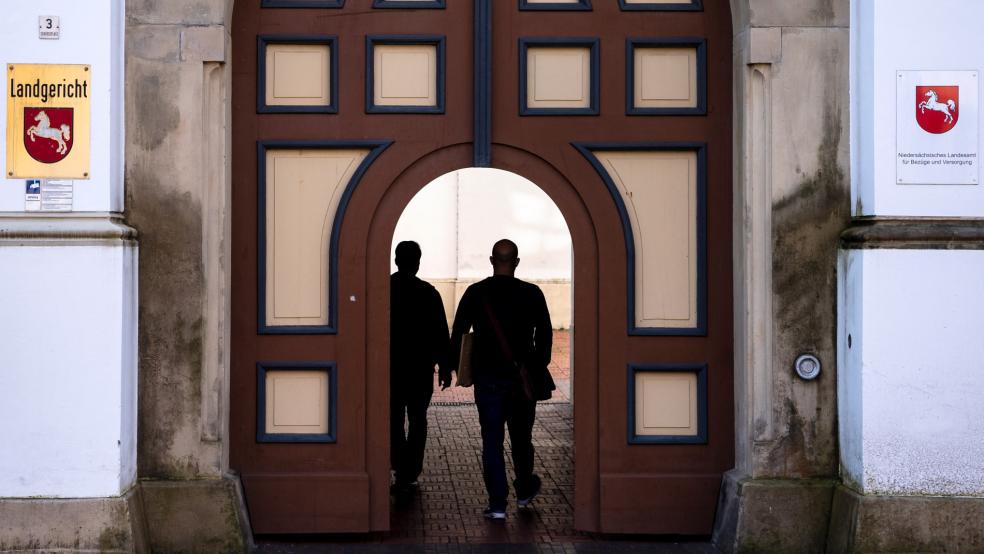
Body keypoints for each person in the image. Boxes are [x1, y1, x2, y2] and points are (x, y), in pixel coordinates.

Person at [444, 239, 552, 519]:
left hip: (488, 377)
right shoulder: (533, 294)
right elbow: (545, 337)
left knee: (491, 439)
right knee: (522, 438)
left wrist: (456, 367)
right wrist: (535, 366)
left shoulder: (476, 293)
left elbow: (458, 334)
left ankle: (497, 504)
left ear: (492, 260)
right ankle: (524, 490)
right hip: (521, 379)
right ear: (516, 262)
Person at [390, 241, 449, 495]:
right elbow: (440, 333)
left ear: (396, 260)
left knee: (392, 420)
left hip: (391, 368)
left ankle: (399, 465)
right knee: (417, 419)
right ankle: (410, 469)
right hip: (420, 369)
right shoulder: (429, 293)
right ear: (417, 262)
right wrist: (445, 367)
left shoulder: (384, 289)